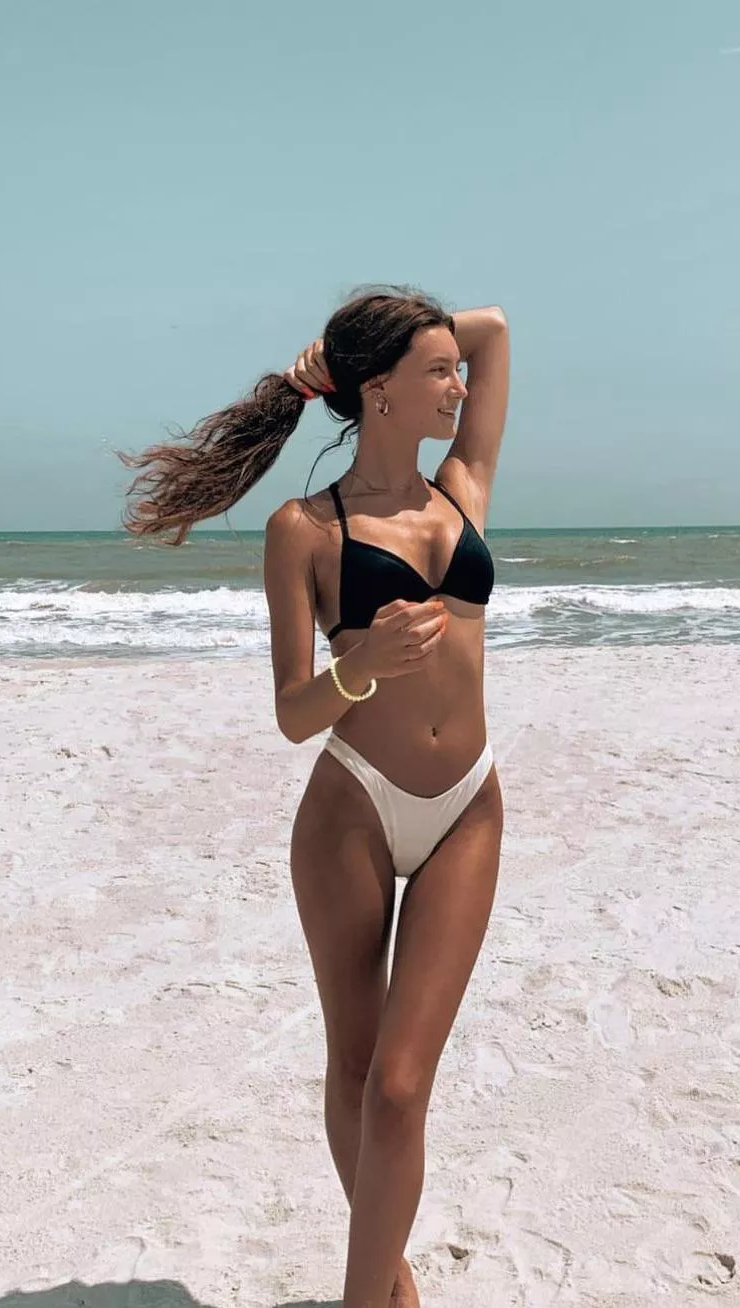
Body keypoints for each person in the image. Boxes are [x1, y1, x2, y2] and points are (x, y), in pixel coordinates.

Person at [123, 288, 509, 1308]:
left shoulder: (464, 486)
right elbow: (295, 714)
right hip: (354, 800)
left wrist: (332, 362)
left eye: (451, 371)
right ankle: (386, 1289)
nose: (458, 385)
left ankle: (366, 1294)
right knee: (357, 1069)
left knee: (402, 1084)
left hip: (468, 801)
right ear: (381, 396)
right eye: (436, 373)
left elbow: (496, 328)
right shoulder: (304, 529)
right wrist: (364, 665)